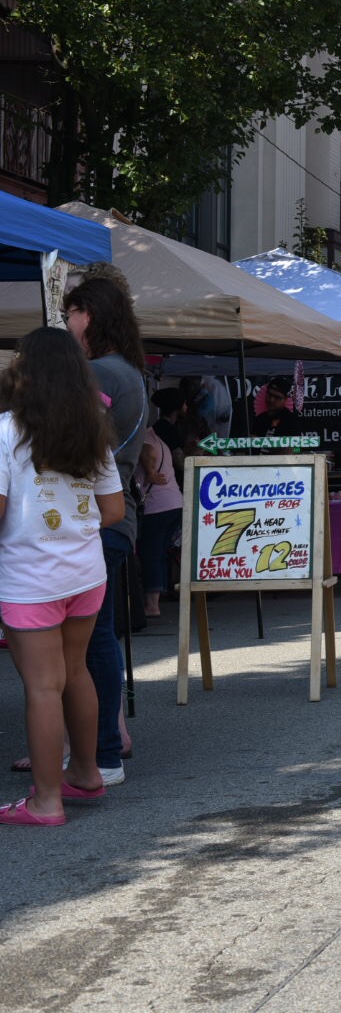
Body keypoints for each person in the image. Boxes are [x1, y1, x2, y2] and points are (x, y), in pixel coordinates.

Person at [0, 328, 125, 826]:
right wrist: (74, 526)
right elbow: (113, 509)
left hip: (30, 577)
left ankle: (46, 801)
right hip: (86, 572)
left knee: (42, 687)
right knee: (75, 673)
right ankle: (87, 774)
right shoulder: (93, 428)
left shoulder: (6, 431)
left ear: (24, 372)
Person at [61, 275, 144, 786]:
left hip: (91, 519)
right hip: (114, 518)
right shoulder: (129, 372)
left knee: (85, 645)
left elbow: (70, 446)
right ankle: (97, 745)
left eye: (71, 313)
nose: (67, 323)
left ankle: (97, 752)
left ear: (87, 315)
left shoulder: (97, 374)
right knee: (98, 640)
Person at [136, 421, 183, 617]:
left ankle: (152, 604)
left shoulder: (146, 436)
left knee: (151, 554)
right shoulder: (161, 441)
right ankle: (161, 593)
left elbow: (148, 453)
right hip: (174, 503)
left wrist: (151, 473)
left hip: (157, 506)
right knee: (162, 553)